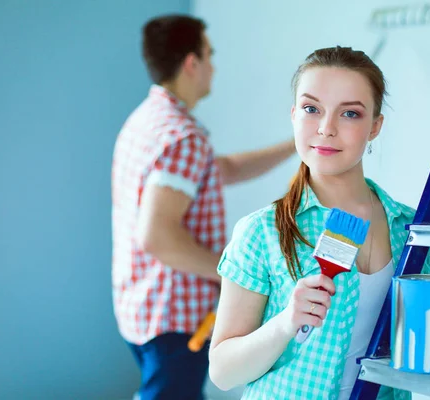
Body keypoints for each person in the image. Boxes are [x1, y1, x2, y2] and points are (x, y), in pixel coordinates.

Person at [208, 46, 430, 400]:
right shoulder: (262, 232)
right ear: (293, 115)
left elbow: (423, 344)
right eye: (311, 109)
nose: (326, 128)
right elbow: (223, 373)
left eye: (349, 113)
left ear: (375, 126)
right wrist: (285, 323)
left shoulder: (410, 229)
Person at [111, 15, 295, 400]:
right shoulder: (182, 138)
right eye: (210, 54)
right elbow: (158, 237)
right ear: (192, 63)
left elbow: (221, 169)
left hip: (141, 307)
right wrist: (231, 274)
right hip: (174, 319)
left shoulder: (148, 122)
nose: (214, 65)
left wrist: (298, 144)